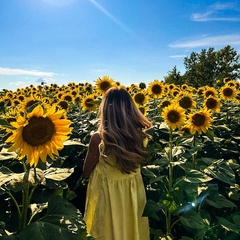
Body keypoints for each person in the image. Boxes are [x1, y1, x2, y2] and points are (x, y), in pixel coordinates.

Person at [83, 87, 152, 240]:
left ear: (106, 109)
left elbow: (86, 171)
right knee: (131, 230)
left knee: (106, 231)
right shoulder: (140, 137)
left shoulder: (99, 139)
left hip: (107, 197)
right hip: (133, 195)